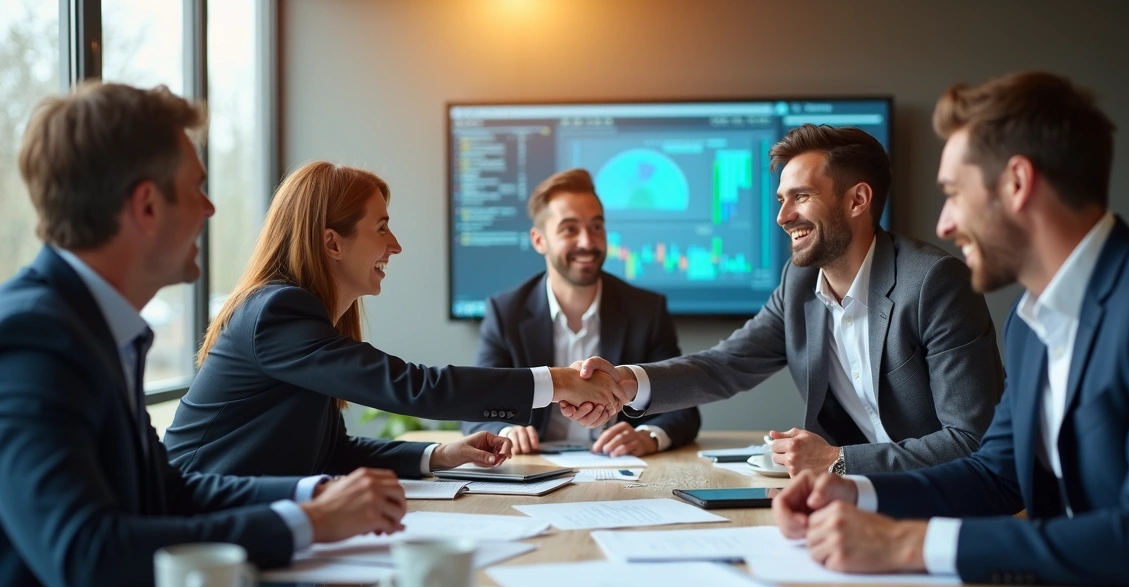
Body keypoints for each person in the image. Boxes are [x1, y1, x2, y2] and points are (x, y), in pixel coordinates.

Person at [771, 71, 1129, 587]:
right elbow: (995, 476)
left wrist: (908, 544)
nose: (945, 223)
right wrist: (852, 493)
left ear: (1017, 183)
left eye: (955, 194)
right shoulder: (1031, 323)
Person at [0, 83, 416, 587]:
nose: (210, 207)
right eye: (196, 188)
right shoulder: (33, 337)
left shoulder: (91, 326)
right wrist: (309, 521)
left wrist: (311, 496)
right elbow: (87, 555)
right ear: (148, 207)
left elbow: (168, 494)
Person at [570, 125, 1004, 476]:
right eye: (781, 200)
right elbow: (725, 365)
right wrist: (625, 383)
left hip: (947, 503)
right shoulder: (799, 283)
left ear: (857, 200)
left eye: (802, 196)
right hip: (859, 498)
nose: (782, 216)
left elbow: (971, 440)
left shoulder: (933, 283)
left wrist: (837, 461)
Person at [164, 162, 627, 478]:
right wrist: (558, 382)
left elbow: (333, 452)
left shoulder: (302, 319)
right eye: (381, 227)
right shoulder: (278, 313)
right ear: (332, 243)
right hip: (196, 521)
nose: (395, 245)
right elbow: (414, 386)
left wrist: (440, 455)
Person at [461, 169, 701, 457]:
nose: (587, 242)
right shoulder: (506, 312)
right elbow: (475, 405)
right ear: (539, 240)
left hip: (621, 466)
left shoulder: (646, 310)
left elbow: (683, 406)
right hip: (538, 467)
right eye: (570, 229)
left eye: (596, 227)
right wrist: (506, 431)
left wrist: (648, 435)